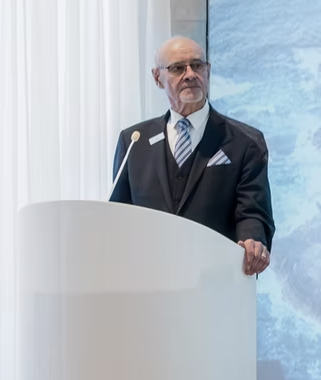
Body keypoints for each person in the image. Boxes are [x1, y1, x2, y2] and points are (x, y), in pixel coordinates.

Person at [111, 36, 274, 274]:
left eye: (197, 66)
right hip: (147, 287)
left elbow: (253, 214)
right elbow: (118, 218)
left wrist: (253, 240)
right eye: (177, 68)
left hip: (215, 286)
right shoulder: (133, 141)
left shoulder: (245, 142)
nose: (189, 74)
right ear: (157, 78)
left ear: (207, 71)